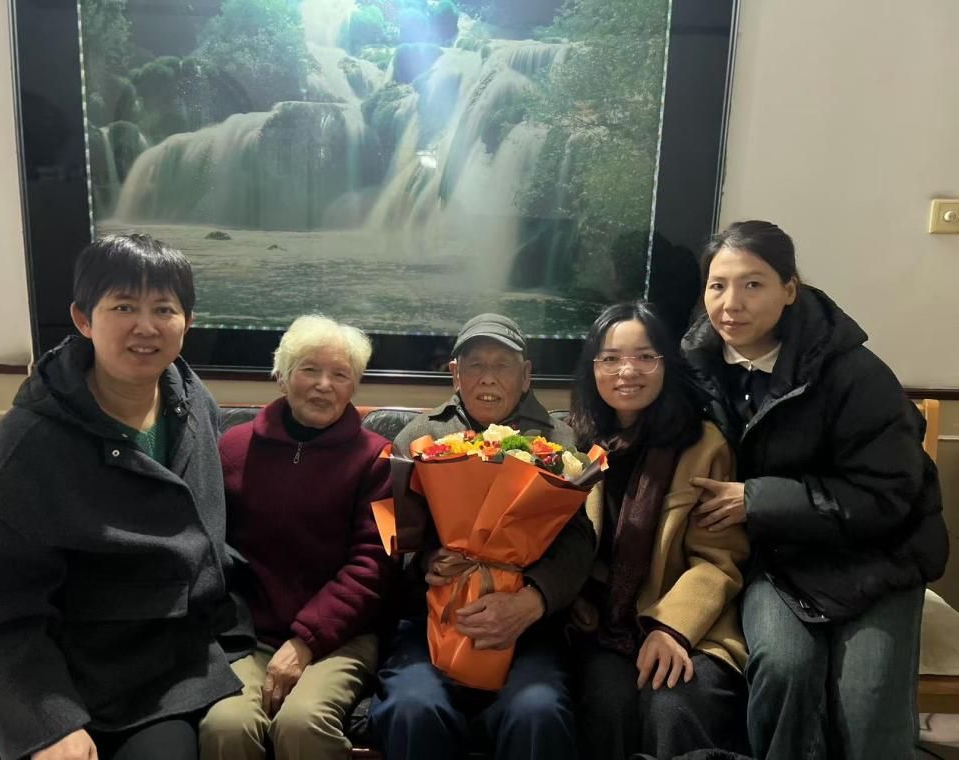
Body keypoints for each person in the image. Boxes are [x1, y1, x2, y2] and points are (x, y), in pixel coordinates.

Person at [0, 234, 249, 760]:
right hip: (71, 677)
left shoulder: (191, 401)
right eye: (123, 307)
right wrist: (48, 724)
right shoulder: (25, 445)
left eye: (164, 309)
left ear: (188, 322)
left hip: (174, 669)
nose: (146, 327)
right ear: (83, 319)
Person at [682, 220, 949, 760]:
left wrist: (755, 500)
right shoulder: (697, 366)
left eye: (753, 284)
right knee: (785, 669)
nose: (731, 304)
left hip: (879, 557)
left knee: (867, 707)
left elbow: (889, 497)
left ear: (789, 289)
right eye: (718, 285)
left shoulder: (855, 374)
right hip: (779, 560)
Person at [369, 313, 594, 760]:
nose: (487, 378)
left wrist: (533, 600)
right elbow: (397, 537)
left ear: (525, 374)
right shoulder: (420, 437)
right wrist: (428, 563)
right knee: (412, 709)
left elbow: (578, 541)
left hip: (527, 631)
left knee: (538, 712)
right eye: (475, 365)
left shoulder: (559, 442)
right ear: (455, 373)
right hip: (431, 625)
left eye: (502, 365)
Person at [199, 315, 392, 760]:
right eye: (309, 369)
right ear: (282, 376)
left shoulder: (377, 458)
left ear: (354, 386)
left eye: (340, 374)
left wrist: (305, 641)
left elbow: (373, 565)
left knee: (302, 724)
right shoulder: (233, 448)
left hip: (341, 638)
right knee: (225, 725)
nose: (324, 385)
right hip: (248, 634)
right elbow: (209, 547)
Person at [568, 302, 750, 759]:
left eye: (645, 357)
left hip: (693, 627)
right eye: (611, 358)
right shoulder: (574, 446)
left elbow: (719, 559)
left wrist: (670, 628)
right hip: (605, 628)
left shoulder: (703, 444)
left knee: (671, 703)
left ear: (666, 364)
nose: (627, 371)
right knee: (607, 704)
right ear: (593, 368)